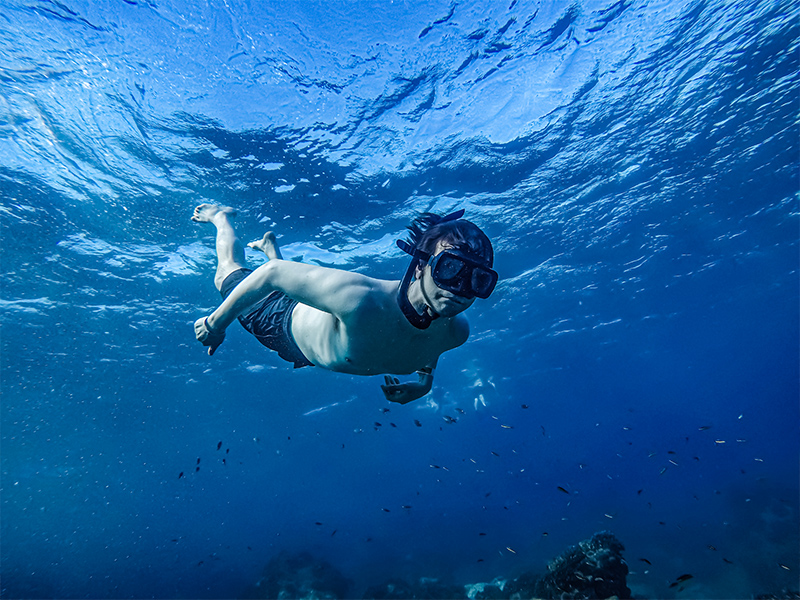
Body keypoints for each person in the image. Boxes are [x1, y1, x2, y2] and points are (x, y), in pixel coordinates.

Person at [192, 204, 498, 404]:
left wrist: (425, 383)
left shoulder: (455, 331)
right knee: (225, 274)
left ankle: (272, 248)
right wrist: (216, 324)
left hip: (314, 344)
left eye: (478, 280)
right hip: (280, 321)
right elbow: (272, 275)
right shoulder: (360, 298)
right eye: (450, 269)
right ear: (420, 265)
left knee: (288, 281)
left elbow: (433, 341)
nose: (460, 289)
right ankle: (221, 217)